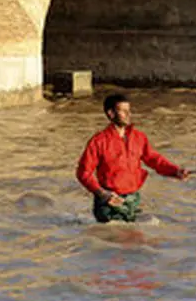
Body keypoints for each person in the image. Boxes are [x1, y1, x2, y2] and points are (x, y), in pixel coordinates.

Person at [76, 93, 189, 223]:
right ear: (111, 113)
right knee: (112, 239)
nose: (129, 114)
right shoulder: (98, 141)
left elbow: (154, 160)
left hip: (132, 199)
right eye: (123, 111)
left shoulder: (139, 137)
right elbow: (83, 173)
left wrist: (175, 171)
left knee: (134, 240)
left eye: (129, 110)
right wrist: (102, 194)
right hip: (109, 202)